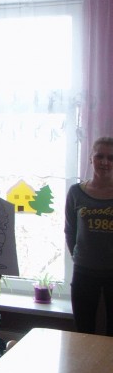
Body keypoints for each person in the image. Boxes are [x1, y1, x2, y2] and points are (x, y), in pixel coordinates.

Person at [65, 136, 113, 336]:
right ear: (91, 158)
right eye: (100, 156)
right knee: (83, 331)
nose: (105, 162)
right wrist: (78, 256)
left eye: (111, 157)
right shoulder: (76, 192)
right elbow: (70, 231)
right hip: (84, 272)